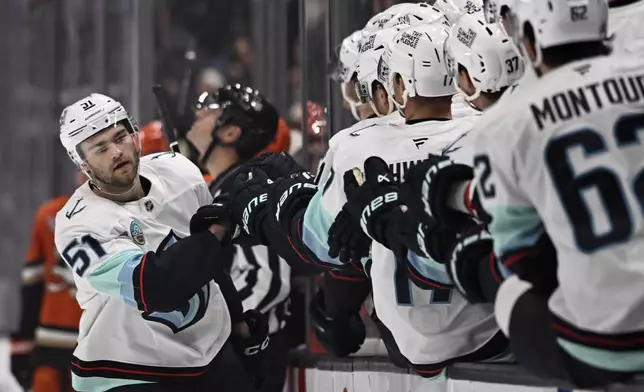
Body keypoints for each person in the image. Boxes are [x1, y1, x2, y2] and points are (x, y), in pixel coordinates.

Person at [452, 0, 644, 387]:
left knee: (494, 275)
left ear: (531, 40)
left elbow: (523, 262)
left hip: (606, 345)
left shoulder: (506, 121)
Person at [54, 93, 269, 392]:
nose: (117, 151)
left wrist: (239, 326)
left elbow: (211, 265)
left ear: (134, 134)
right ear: (83, 163)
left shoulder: (179, 172)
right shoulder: (78, 224)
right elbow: (154, 285)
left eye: (121, 136)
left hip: (210, 356)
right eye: (101, 148)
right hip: (127, 370)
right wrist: (219, 229)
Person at [11, 122, 173, 392]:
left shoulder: (156, 215)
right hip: (61, 345)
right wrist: (23, 343)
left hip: (112, 349)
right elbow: (33, 285)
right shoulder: (51, 215)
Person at [186, 84, 293, 392]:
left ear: (230, 132)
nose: (197, 114)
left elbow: (268, 277)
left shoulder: (246, 190)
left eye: (209, 110)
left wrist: (209, 324)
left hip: (248, 357)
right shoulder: (221, 189)